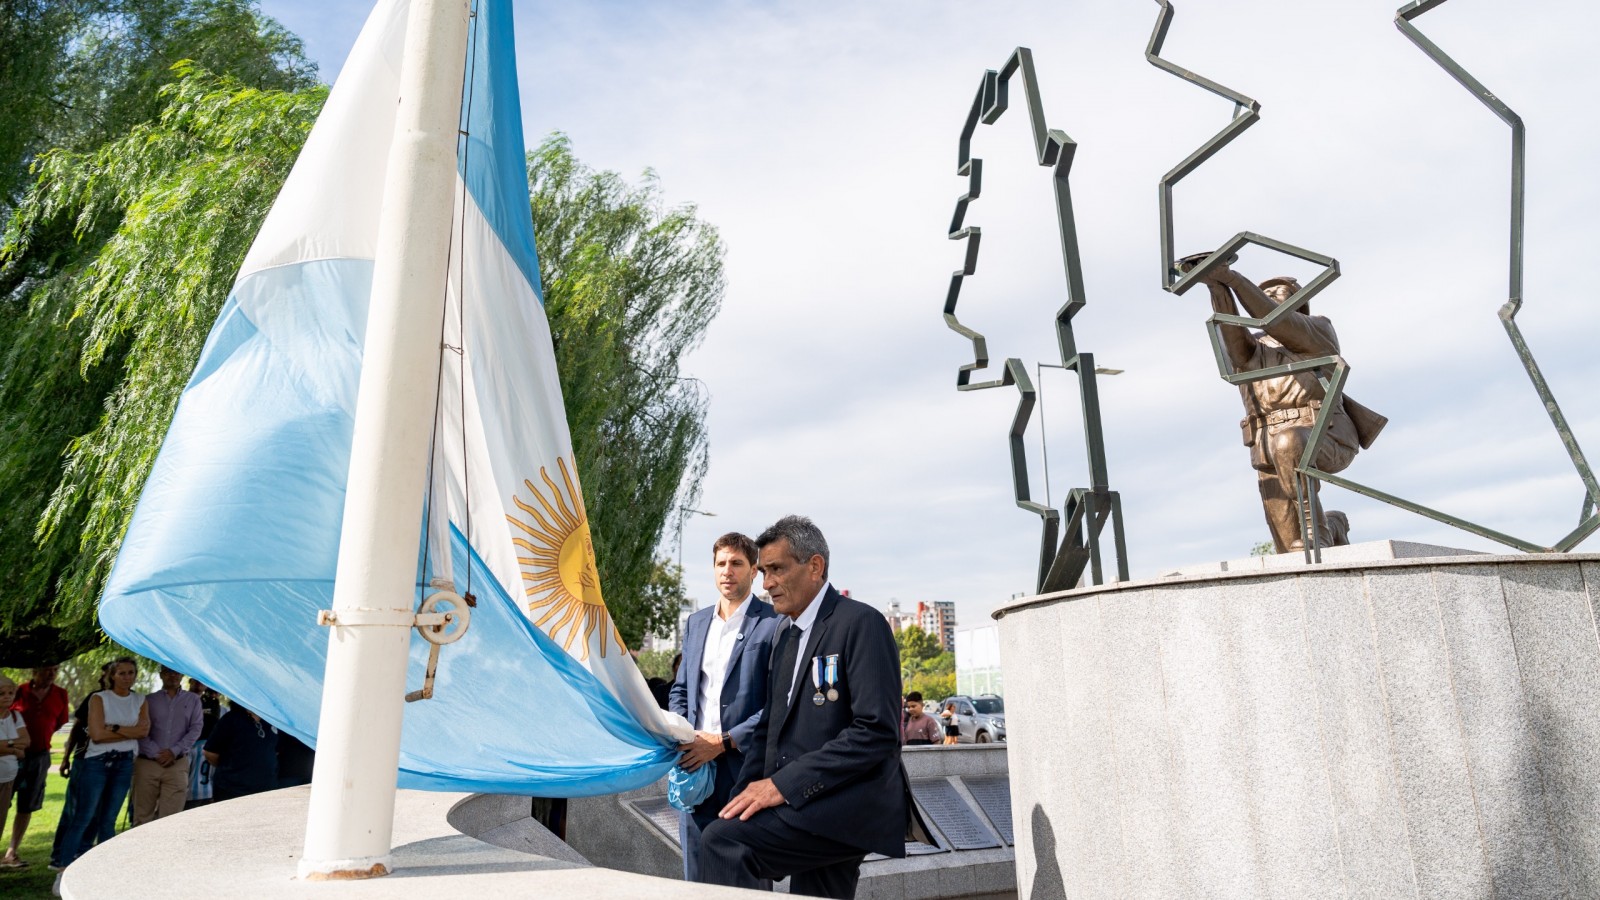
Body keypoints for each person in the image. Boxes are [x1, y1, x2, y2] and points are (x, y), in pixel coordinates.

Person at [699, 516, 922, 899]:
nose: (766, 584)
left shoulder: (862, 623)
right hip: (807, 803)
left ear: (815, 566)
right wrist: (740, 795)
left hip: (847, 803)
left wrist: (781, 786)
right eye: (763, 572)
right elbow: (770, 730)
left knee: (724, 841)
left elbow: (876, 731)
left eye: (777, 569)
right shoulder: (784, 635)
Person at [1194, 261, 1386, 552]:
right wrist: (1215, 285)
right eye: (1264, 292)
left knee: (1289, 443)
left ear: (1299, 301)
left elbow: (1276, 320)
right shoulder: (1255, 348)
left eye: (1278, 291)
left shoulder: (1318, 329)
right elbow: (1233, 338)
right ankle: (1332, 524)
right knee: (1289, 551)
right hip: (1266, 444)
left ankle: (1318, 529)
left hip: (1324, 433)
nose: (1270, 294)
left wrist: (1232, 278)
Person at [668, 532, 781, 884]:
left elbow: (779, 704)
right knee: (697, 876)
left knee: (746, 879)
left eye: (736, 563)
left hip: (745, 772)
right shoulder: (696, 622)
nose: (727, 571)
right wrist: (685, 736)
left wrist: (724, 741)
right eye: (720, 563)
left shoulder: (775, 622)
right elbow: (682, 690)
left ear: (754, 571)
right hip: (695, 769)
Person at [53, 658, 148, 870]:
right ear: (112, 675)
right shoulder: (98, 698)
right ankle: (63, 866)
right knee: (83, 816)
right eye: (122, 673)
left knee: (109, 819)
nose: (127, 677)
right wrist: (127, 732)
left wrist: (112, 728)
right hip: (97, 762)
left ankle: (104, 870)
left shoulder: (140, 700)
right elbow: (96, 735)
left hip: (124, 763)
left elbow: (143, 731)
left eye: (131, 672)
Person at [2, 664, 69, 868]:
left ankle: (12, 852)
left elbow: (60, 722)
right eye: (47, 669)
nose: (51, 673)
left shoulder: (61, 694)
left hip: (39, 756)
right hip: (11, 757)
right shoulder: (19, 691)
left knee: (27, 804)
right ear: (34, 671)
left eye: (55, 670)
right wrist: (15, 746)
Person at [131, 666, 203, 826]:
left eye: (176, 672)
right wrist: (157, 753)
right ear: (161, 675)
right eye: (168, 672)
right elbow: (140, 730)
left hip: (177, 764)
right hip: (148, 764)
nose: (173, 675)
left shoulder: (193, 700)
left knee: (170, 820)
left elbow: (196, 729)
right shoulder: (148, 700)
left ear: (182, 675)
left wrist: (174, 751)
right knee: (142, 818)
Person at [203, 703, 279, 802]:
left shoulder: (271, 720)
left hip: (266, 790)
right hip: (233, 791)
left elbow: (275, 750)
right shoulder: (230, 719)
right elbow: (210, 752)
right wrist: (231, 767)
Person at [0, 676, 32, 867]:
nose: (7, 697)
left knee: (1, 819)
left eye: (10, 693)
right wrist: (14, 749)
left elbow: (26, 741)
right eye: (1, 693)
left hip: (8, 777)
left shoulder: (15, 716)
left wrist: (7, 745)